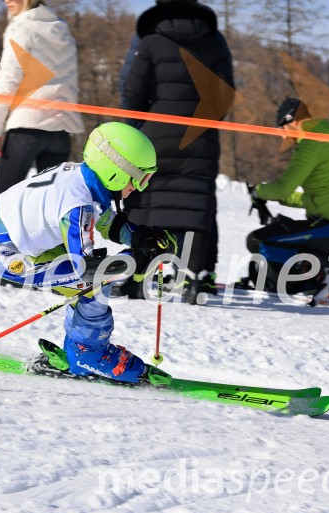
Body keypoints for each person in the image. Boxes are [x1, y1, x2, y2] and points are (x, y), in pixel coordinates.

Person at [0, 122, 177, 385]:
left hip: (17, 237)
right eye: (140, 178)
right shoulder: (77, 206)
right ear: (115, 174)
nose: (139, 188)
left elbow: (106, 222)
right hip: (8, 255)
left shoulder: (83, 179)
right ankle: (88, 355)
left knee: (90, 281)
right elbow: (84, 267)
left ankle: (78, 350)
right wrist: (135, 261)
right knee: (91, 282)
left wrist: (142, 238)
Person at [121, 0, 234, 304]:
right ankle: (195, 283)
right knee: (195, 207)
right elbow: (224, 96)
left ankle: (136, 280)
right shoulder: (214, 40)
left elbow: (133, 94)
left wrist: (133, 133)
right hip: (200, 138)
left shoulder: (151, 41)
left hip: (154, 136)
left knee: (147, 205)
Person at [246, 98, 329, 307]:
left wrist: (259, 190)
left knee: (260, 239)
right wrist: (269, 195)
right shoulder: (324, 137)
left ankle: (277, 288)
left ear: (292, 122)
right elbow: (311, 198)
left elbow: (283, 187)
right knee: (279, 231)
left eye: (282, 127)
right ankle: (328, 275)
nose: (283, 134)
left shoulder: (310, 141)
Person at [0, 0, 84, 198]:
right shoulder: (62, 29)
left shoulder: (21, 27)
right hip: (60, 130)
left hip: (27, 127)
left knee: (5, 205)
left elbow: (8, 80)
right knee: (50, 210)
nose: (7, 1)